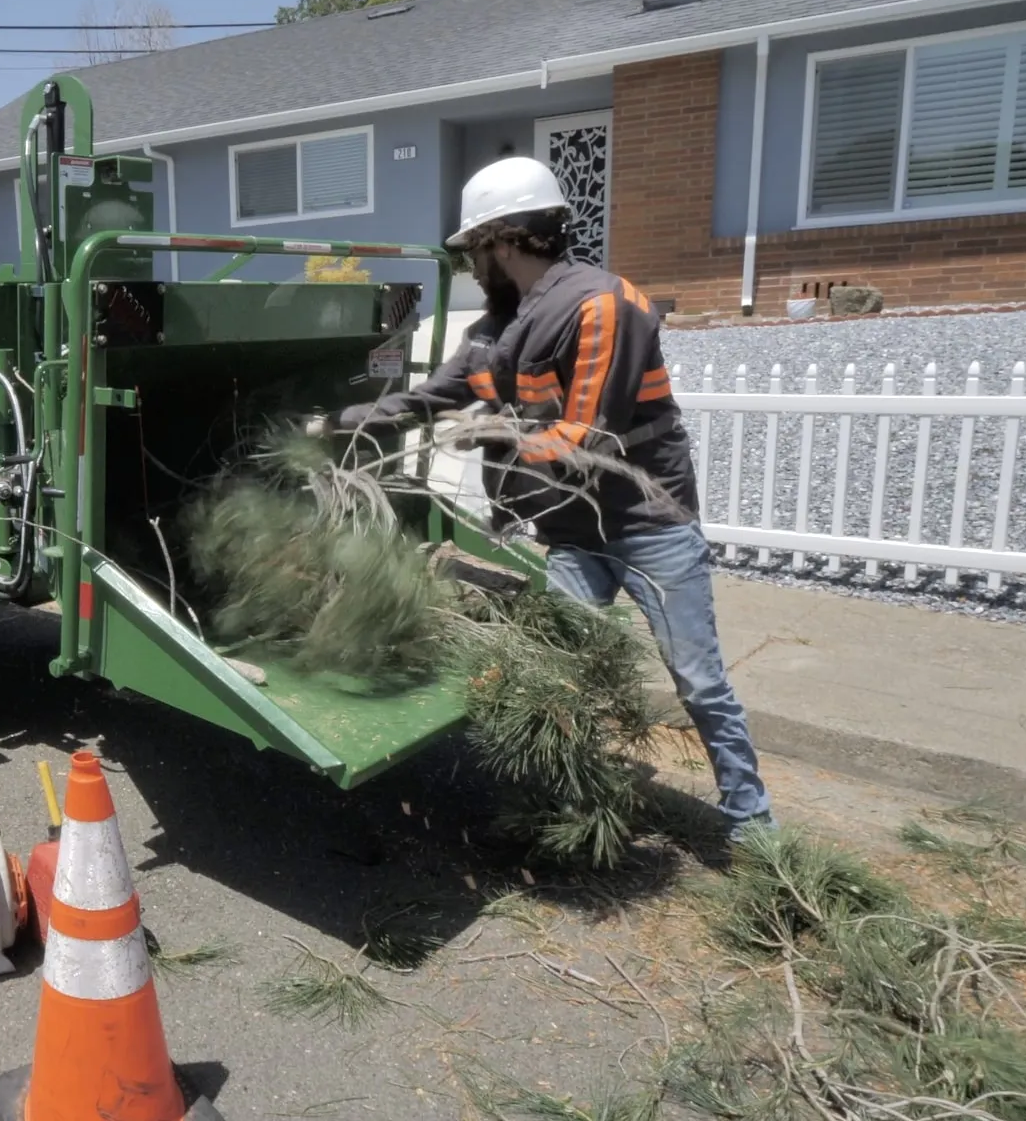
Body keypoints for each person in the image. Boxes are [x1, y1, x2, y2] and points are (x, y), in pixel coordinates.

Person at [317, 156, 773, 840]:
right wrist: (332, 424)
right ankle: (568, 809)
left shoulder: (603, 306)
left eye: (475, 250)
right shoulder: (501, 328)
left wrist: (491, 431)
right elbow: (432, 396)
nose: (473, 265)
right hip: (573, 529)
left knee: (699, 681)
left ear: (505, 239)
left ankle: (752, 825)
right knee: (558, 673)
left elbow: (584, 434)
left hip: (648, 523)